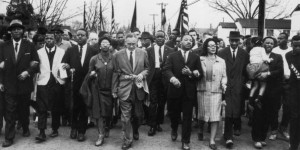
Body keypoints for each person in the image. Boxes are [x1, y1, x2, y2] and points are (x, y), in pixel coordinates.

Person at [0, 20, 39, 147]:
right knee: (10, 111)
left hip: (24, 84)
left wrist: (27, 72)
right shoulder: (4, 46)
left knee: (23, 109)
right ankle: (9, 137)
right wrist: (1, 81)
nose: (16, 31)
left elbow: (36, 62)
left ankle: (25, 127)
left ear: (23, 31)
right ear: (10, 32)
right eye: (14, 29)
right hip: (9, 84)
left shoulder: (29, 45)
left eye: (19, 29)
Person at [163, 34, 203, 150]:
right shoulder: (172, 56)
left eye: (191, 40)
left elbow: (200, 74)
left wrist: (191, 73)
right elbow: (166, 70)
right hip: (175, 91)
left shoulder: (195, 57)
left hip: (189, 92)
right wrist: (173, 78)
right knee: (174, 115)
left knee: (187, 118)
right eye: (186, 40)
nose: (188, 42)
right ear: (180, 42)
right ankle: (174, 128)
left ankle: (185, 141)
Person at [112, 33, 149, 150]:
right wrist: (114, 89)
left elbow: (147, 68)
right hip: (124, 88)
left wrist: (141, 75)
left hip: (138, 88)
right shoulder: (118, 55)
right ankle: (128, 139)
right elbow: (115, 73)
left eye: (134, 44)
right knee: (125, 117)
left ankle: (135, 129)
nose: (131, 46)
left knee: (138, 115)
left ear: (137, 42)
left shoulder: (143, 53)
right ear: (125, 43)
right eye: (129, 44)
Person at [61, 29, 97, 142]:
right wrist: (67, 66)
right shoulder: (71, 50)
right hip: (74, 83)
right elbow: (63, 64)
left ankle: (82, 131)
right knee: (73, 107)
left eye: (82, 35)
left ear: (86, 37)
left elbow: (97, 66)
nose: (80, 37)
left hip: (87, 83)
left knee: (84, 107)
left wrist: (93, 74)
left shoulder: (93, 50)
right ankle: (73, 128)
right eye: (78, 35)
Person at [249, 36, 283, 149]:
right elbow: (249, 68)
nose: (269, 45)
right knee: (257, 116)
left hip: (271, 91)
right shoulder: (257, 55)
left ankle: (263, 138)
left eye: (271, 43)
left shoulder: (277, 57)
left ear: (274, 45)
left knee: (267, 116)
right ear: (263, 43)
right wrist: (253, 74)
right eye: (267, 42)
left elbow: (279, 71)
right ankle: (256, 139)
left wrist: (267, 74)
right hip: (258, 90)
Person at [218, 31, 249, 148]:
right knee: (227, 112)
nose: (234, 43)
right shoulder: (221, 53)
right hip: (225, 86)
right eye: (232, 40)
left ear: (240, 40)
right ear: (229, 41)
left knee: (237, 111)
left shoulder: (244, 54)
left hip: (238, 87)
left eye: (237, 40)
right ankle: (228, 137)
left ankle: (236, 128)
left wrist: (243, 83)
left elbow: (247, 71)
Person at [35, 31, 66, 142]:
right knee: (41, 108)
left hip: (56, 82)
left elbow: (64, 65)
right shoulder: (39, 52)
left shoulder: (62, 52)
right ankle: (42, 132)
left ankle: (55, 129)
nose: (49, 40)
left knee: (56, 108)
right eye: (47, 38)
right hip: (43, 82)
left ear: (55, 39)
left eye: (51, 38)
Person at [197, 38, 227, 150]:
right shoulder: (200, 59)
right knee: (202, 113)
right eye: (210, 45)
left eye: (214, 45)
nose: (213, 47)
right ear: (206, 47)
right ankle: (200, 129)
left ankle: (212, 140)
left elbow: (224, 76)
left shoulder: (221, 61)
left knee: (215, 116)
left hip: (216, 90)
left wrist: (224, 84)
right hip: (202, 89)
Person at [83, 37, 114, 146]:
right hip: (97, 90)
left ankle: (107, 127)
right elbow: (88, 74)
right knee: (99, 113)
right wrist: (92, 75)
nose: (105, 45)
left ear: (110, 46)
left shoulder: (114, 58)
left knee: (108, 112)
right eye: (103, 43)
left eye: (107, 43)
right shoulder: (94, 59)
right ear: (100, 46)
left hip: (110, 90)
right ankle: (100, 134)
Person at [146, 30, 174, 136]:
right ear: (154, 38)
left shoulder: (170, 50)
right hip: (154, 77)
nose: (160, 39)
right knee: (153, 102)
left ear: (165, 38)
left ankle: (158, 123)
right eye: (158, 37)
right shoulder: (149, 50)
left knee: (162, 102)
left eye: (162, 37)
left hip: (165, 77)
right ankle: (152, 125)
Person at [270, 32, 292, 141]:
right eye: (278, 38)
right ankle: (274, 129)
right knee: (275, 106)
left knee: (288, 106)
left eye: (281, 38)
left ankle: (283, 128)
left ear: (287, 40)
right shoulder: (274, 50)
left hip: (289, 82)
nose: (278, 40)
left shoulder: (292, 50)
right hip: (277, 81)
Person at [247, 37, 272, 109]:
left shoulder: (251, 50)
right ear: (261, 43)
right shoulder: (262, 49)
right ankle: (258, 98)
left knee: (255, 85)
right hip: (259, 67)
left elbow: (250, 59)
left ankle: (250, 99)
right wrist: (269, 60)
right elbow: (264, 58)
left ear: (253, 43)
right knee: (263, 84)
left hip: (251, 68)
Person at [286, 35, 300, 150]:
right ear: (291, 45)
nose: (298, 48)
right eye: (295, 45)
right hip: (294, 89)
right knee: (294, 117)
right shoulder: (288, 55)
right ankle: (293, 144)